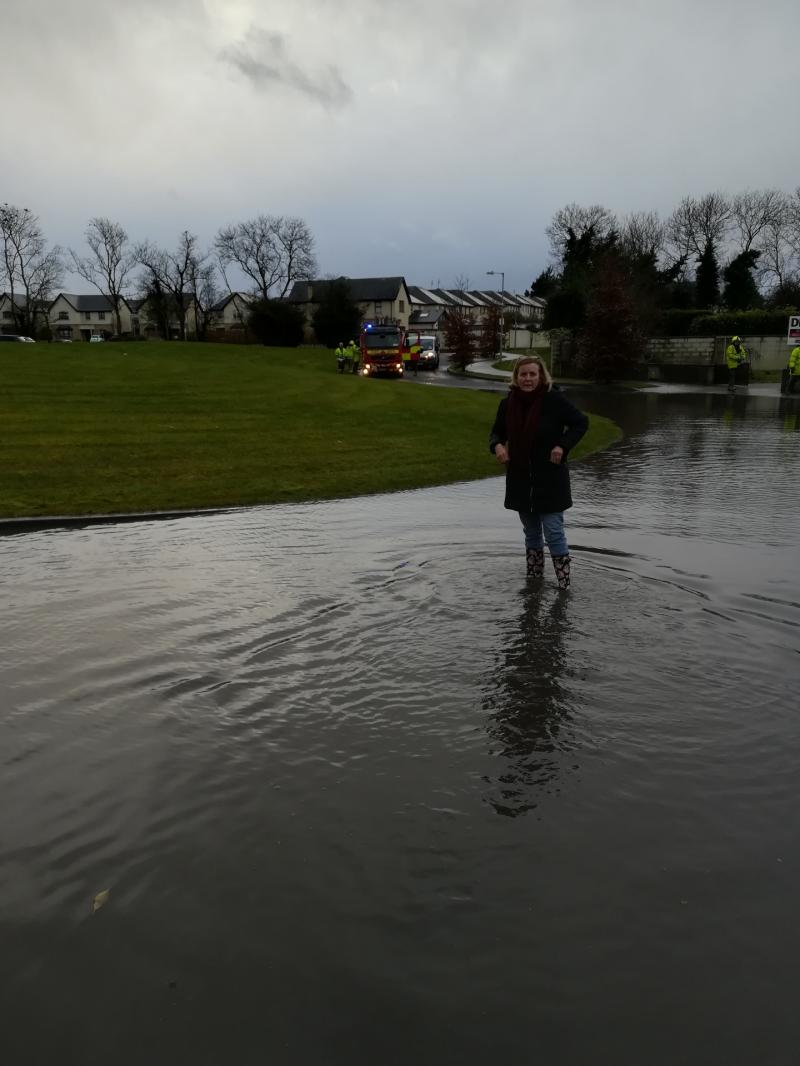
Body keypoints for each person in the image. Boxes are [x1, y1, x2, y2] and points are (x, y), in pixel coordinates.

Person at [489, 356, 588, 590]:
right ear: (516, 377)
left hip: (550, 479)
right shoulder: (507, 404)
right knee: (531, 532)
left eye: (533, 374)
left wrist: (562, 446)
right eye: (523, 374)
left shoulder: (553, 400)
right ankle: (534, 584)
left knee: (553, 530)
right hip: (521, 479)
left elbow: (580, 423)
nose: (528, 379)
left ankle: (564, 586)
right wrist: (498, 446)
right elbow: (496, 434)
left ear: (541, 376)